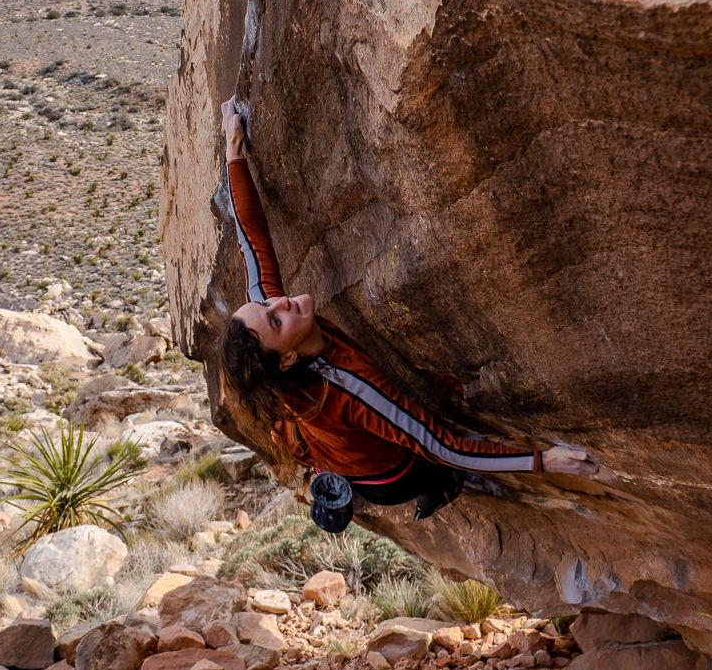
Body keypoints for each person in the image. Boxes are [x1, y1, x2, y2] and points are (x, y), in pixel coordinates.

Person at [218, 97, 598, 527]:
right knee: (435, 463)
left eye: (266, 303)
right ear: (287, 358)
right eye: (275, 318)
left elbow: (251, 237)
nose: (279, 301)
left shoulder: (274, 349)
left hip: (347, 459)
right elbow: (441, 444)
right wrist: (543, 460)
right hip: (392, 479)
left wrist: (233, 150)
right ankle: (440, 486)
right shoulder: (350, 387)